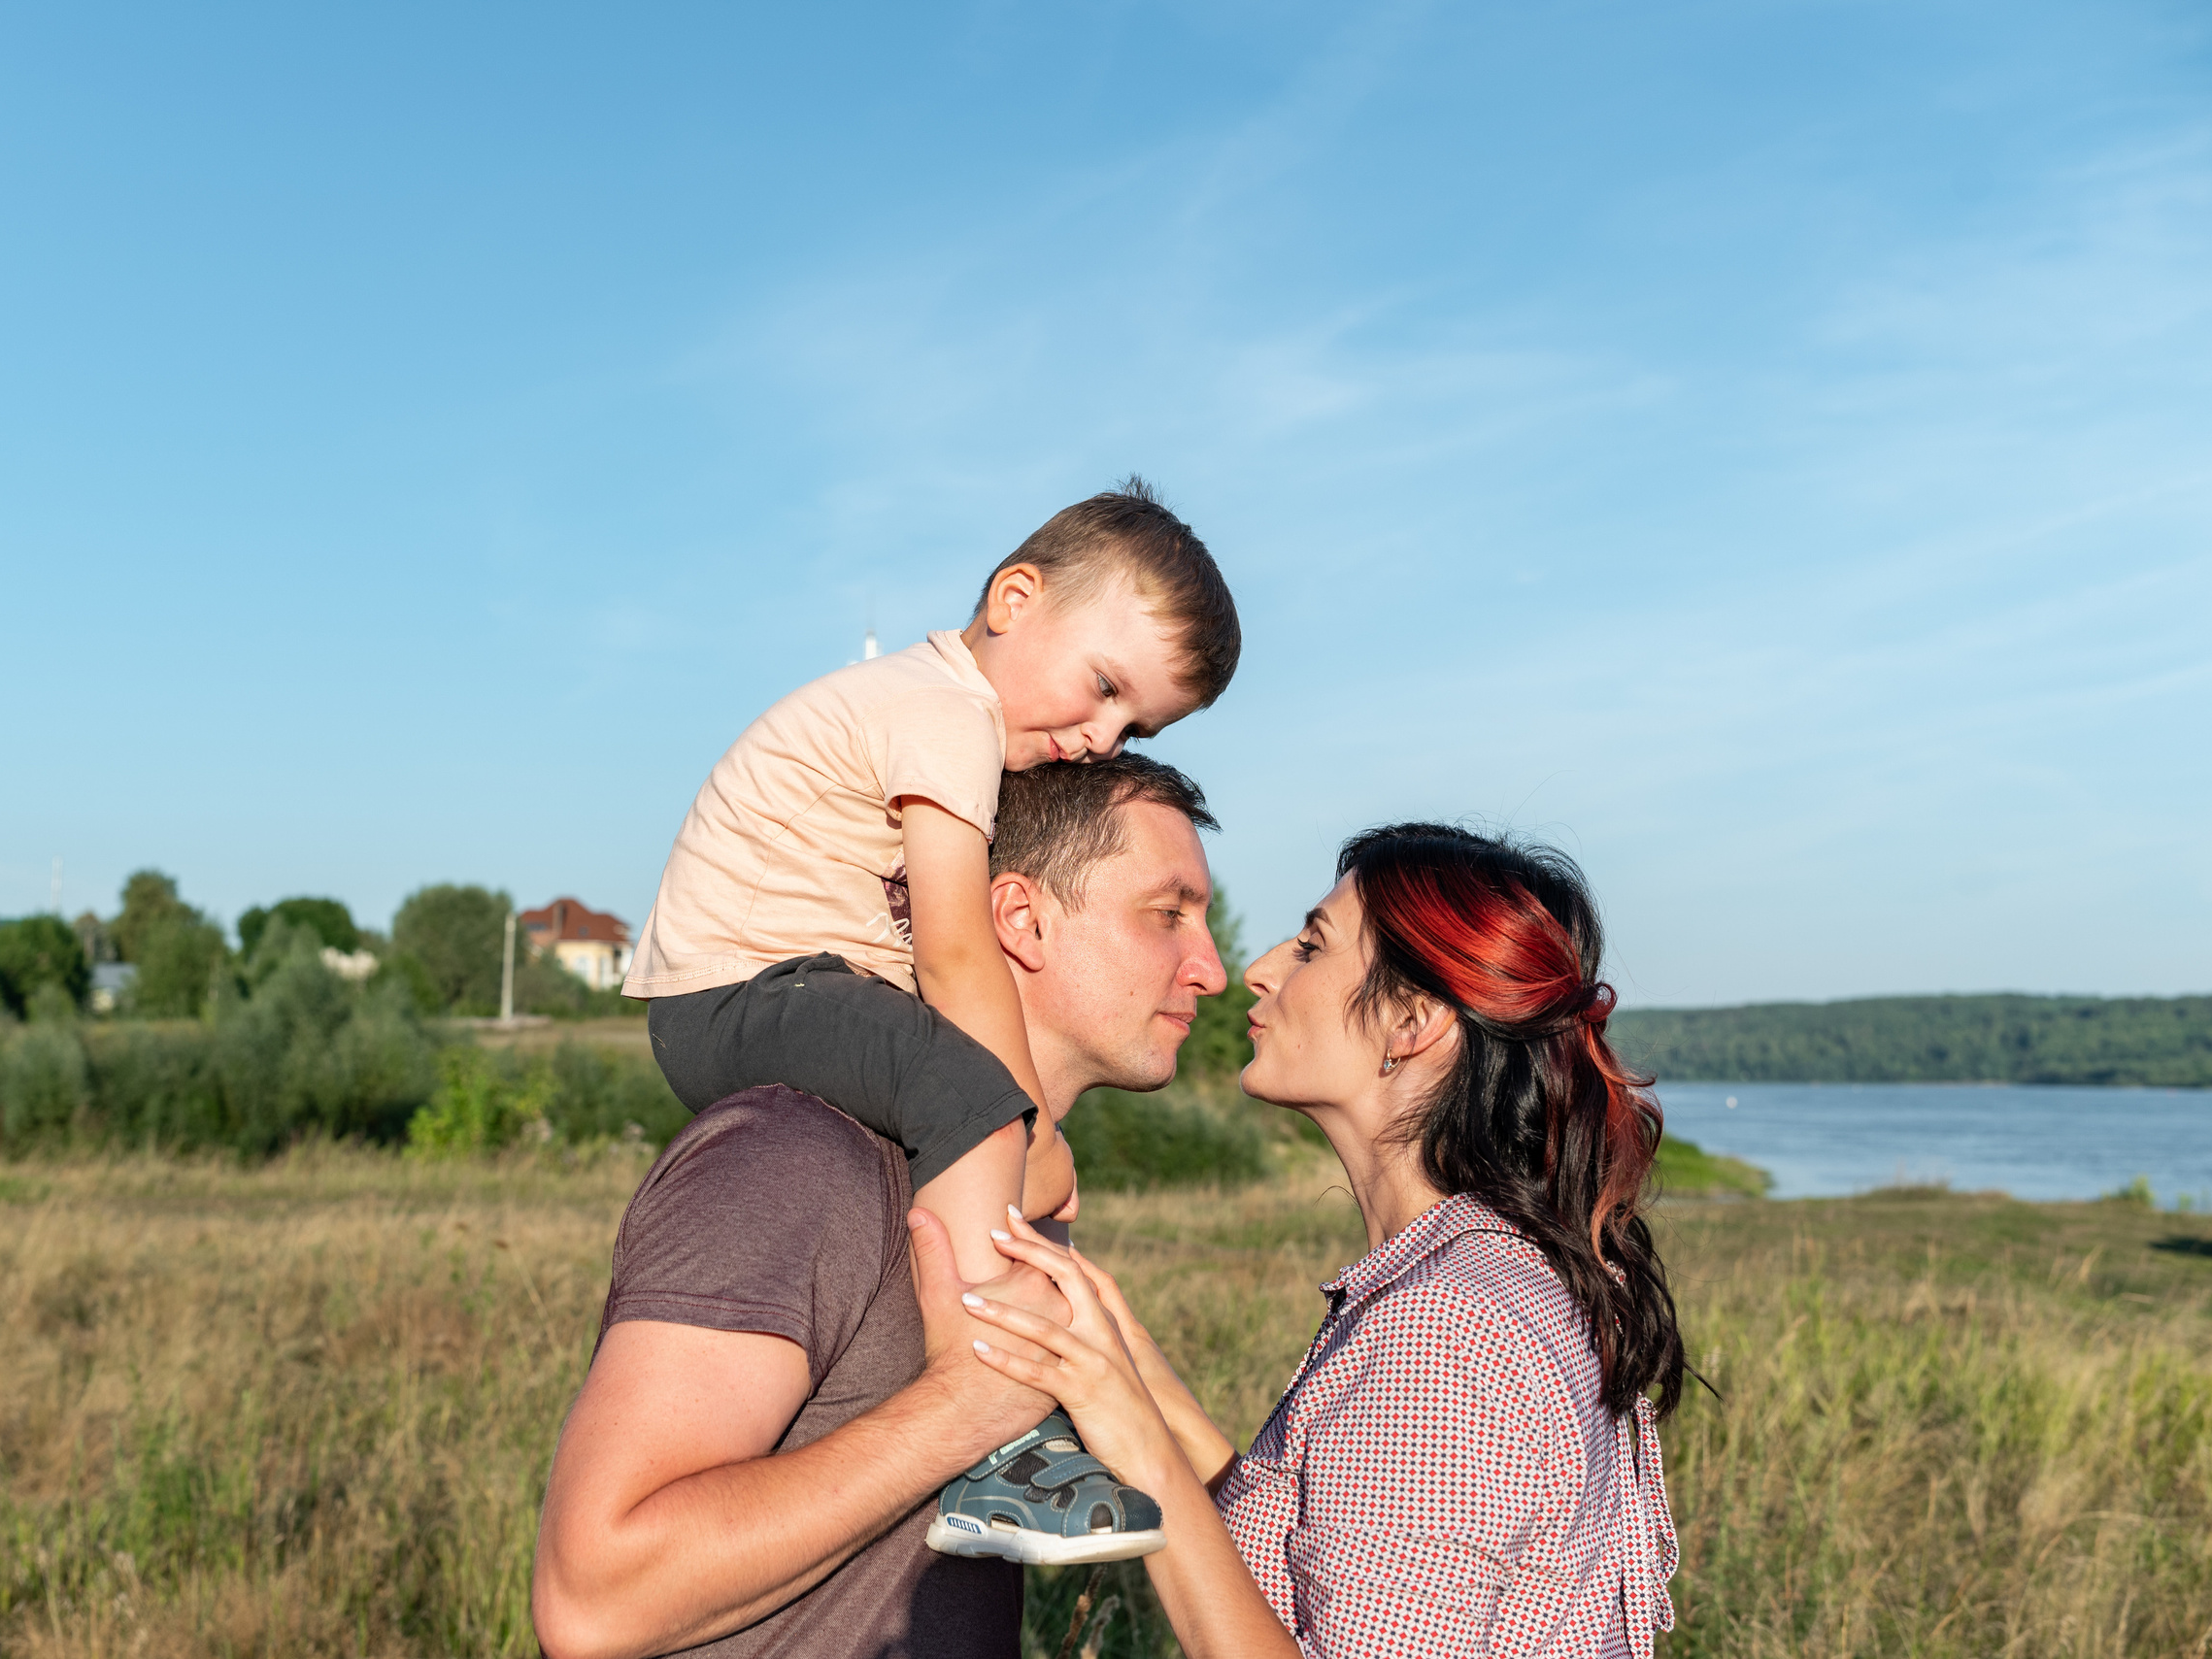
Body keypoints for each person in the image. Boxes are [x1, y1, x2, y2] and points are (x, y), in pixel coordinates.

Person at [621, 480, 1240, 1559]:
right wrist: (1025, 1129)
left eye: (1133, 723)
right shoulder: (947, 715)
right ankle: (994, 1435)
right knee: (972, 1097)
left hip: (761, 986)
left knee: (963, 1102)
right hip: (741, 987)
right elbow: (957, 950)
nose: (1102, 736)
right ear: (1013, 599)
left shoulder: (933, 711)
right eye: (1103, 686)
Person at [534, 756, 1232, 1659]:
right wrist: (966, 1406)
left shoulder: (1013, 1194)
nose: (1211, 969)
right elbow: (594, 1599)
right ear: (1020, 918)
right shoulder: (800, 1155)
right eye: (1168, 914)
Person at [956, 823, 1685, 1658]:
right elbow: (1306, 1553)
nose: (1258, 970)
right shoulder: (1486, 1273)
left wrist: (1139, 1444)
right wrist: (1135, 1372)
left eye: (1311, 946)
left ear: (1410, 1021)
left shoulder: (1446, 1334)